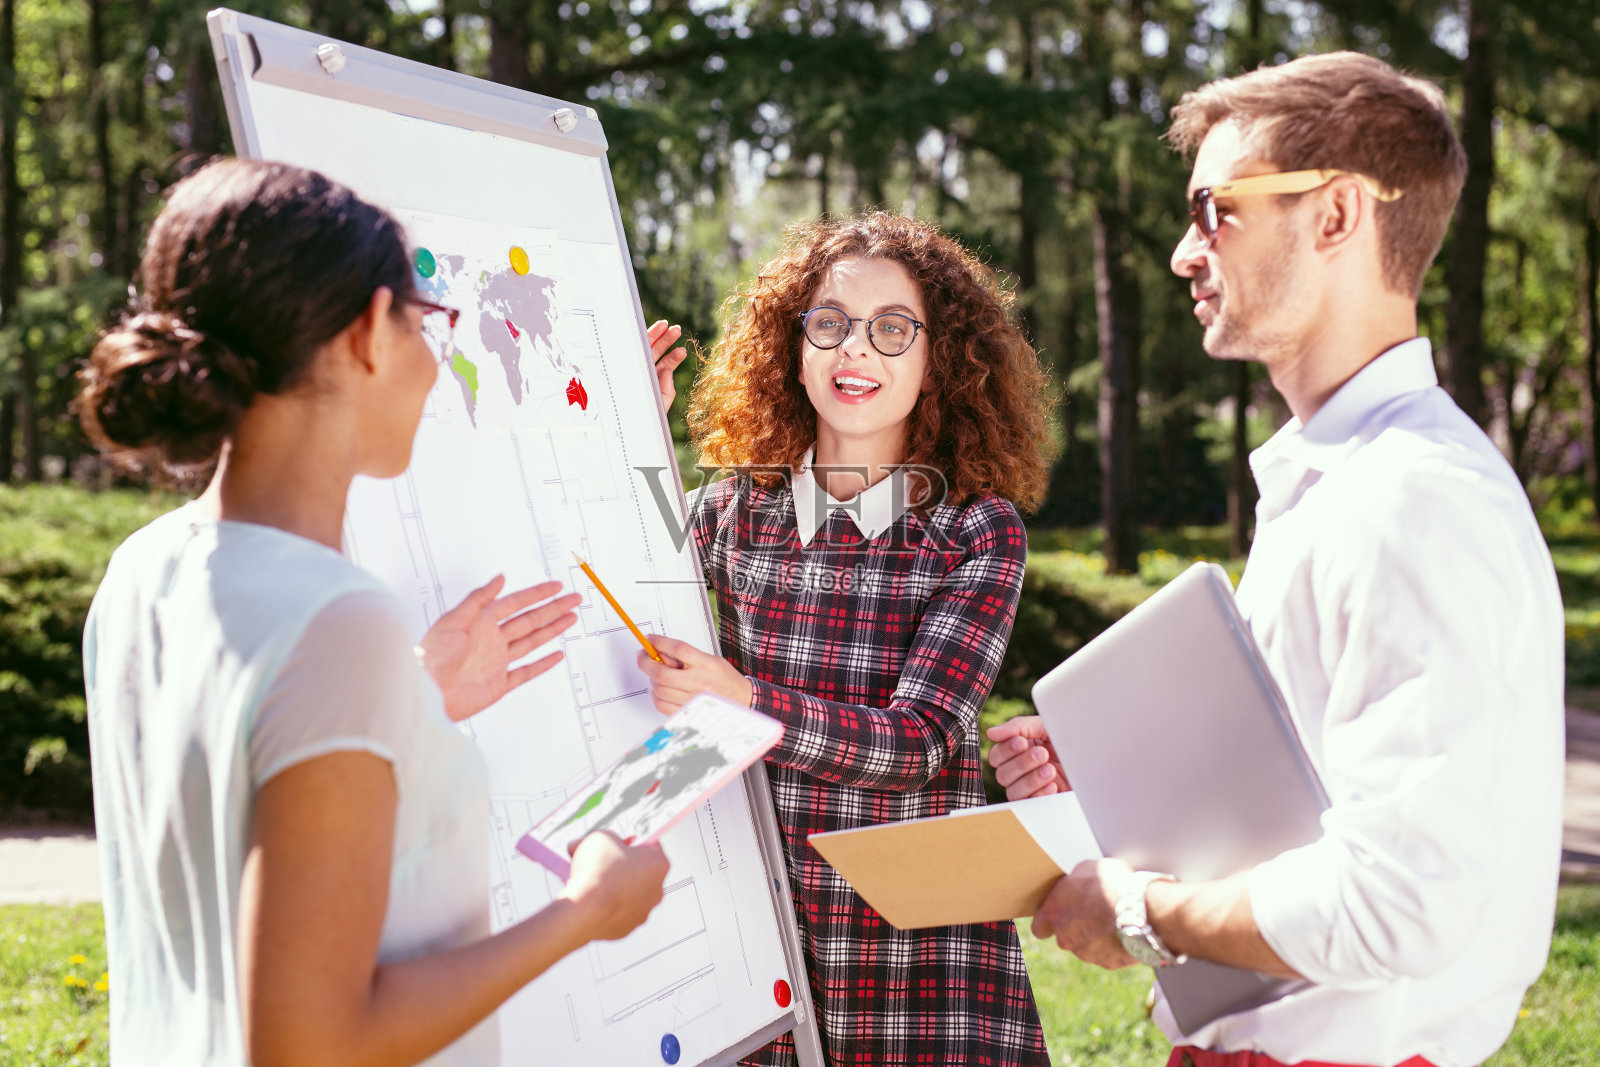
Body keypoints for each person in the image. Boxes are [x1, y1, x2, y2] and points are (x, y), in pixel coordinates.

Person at [988, 52, 1566, 1067]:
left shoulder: (1408, 500)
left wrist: (1141, 909)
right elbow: (1306, 810)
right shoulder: (1343, 482)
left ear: (1336, 214)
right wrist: (1131, 785)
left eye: (1214, 209)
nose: (1181, 251)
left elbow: (1400, 901)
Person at [78, 158, 670, 1067]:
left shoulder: (139, 571)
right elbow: (311, 1044)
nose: (435, 362)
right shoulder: (337, 621)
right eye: (427, 321)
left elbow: (236, 814)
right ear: (366, 333)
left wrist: (414, 699)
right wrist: (584, 911)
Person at [641, 213, 1054, 1065]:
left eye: (891, 329)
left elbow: (924, 738)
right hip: (758, 931)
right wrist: (624, 430)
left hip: (912, 945)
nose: (854, 351)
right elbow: (621, 601)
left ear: (940, 356)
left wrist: (746, 702)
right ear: (792, 345)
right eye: (828, 323)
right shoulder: (726, 510)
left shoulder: (975, 530)